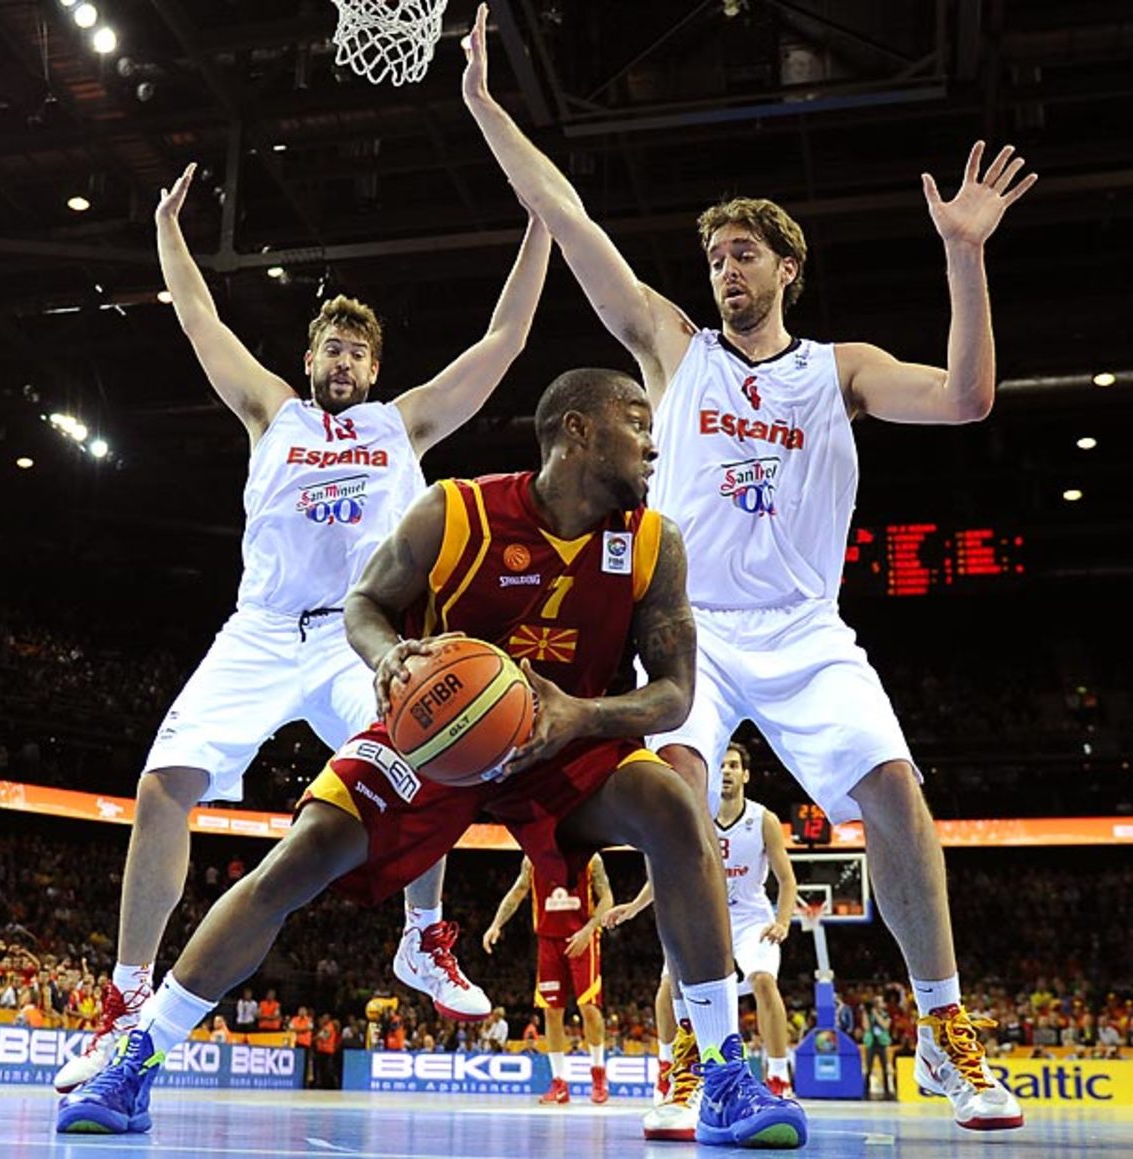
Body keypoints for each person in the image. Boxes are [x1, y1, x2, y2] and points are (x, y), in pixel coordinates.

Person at [460, 2, 1032, 1135]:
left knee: (896, 797)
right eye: (714, 255)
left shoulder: (841, 368)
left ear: (787, 266)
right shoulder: (673, 348)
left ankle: (945, 1026)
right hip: (687, 628)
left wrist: (964, 258)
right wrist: (486, 107)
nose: (723, 268)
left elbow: (968, 398)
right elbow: (566, 218)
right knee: (671, 804)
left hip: (806, 626)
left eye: (742, 253)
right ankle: (698, 1049)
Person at [56, 368, 806, 1149]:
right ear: (577, 431)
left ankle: (721, 1073)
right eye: (636, 421)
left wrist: (581, 714)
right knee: (297, 858)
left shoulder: (655, 540)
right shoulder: (457, 510)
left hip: (564, 737)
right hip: (439, 732)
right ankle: (135, 1056)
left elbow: (676, 696)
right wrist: (387, 657)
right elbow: (364, 603)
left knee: (672, 804)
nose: (654, 444)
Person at [53, 161, 553, 1093]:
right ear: (313, 354)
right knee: (163, 787)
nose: (343, 363)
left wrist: (542, 226)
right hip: (258, 630)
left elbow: (505, 339)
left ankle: (423, 939)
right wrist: (168, 230)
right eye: (331, 348)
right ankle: (125, 994)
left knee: (434, 748)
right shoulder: (270, 412)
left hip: (353, 638)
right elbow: (198, 319)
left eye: (358, 353)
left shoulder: (404, 424)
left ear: (374, 368)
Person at [607, 740, 798, 1112]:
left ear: (745, 774)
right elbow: (665, 874)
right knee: (667, 986)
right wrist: (634, 906)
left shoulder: (764, 820)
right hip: (703, 914)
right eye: (721, 766)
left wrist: (783, 921)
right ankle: (669, 1068)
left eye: (733, 766)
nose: (726, 771)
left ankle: (778, 1075)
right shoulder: (696, 815)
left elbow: (787, 880)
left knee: (762, 980)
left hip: (750, 919)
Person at [483, 853, 613, 1104]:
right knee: (551, 1011)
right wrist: (496, 924)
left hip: (582, 939)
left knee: (588, 1007)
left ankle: (598, 1074)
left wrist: (589, 930)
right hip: (548, 941)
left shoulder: (590, 858)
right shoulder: (532, 859)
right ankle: (559, 1082)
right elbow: (517, 891)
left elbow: (607, 897)